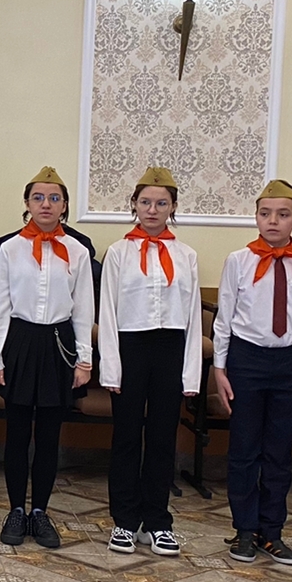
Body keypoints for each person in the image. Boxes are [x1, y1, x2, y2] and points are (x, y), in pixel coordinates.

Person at [213, 179, 292, 566]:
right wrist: (220, 368)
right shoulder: (238, 261)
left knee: (279, 451)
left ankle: (271, 532)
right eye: (265, 213)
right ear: (256, 218)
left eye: (283, 214)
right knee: (244, 449)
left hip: (291, 361)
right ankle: (245, 529)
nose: (273, 221)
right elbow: (224, 318)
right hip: (247, 359)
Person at [0, 167, 95, 549]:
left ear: (64, 206)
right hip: (20, 340)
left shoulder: (78, 251)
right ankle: (16, 509)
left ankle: (40, 511)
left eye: (54, 198)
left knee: (49, 435)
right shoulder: (10, 249)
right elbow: (1, 306)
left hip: (58, 344)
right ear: (27, 203)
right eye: (38, 197)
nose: (46, 204)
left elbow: (83, 309)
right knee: (17, 433)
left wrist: (85, 360)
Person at [98, 168, 201, 557]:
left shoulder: (186, 255)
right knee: (126, 437)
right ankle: (124, 520)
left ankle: (157, 521)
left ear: (173, 207)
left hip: (170, 348)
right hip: (131, 347)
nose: (153, 210)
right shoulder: (119, 253)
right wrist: (111, 366)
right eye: (145, 202)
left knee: (162, 437)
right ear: (134, 205)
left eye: (161, 203)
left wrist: (190, 373)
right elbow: (108, 313)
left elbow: (192, 317)